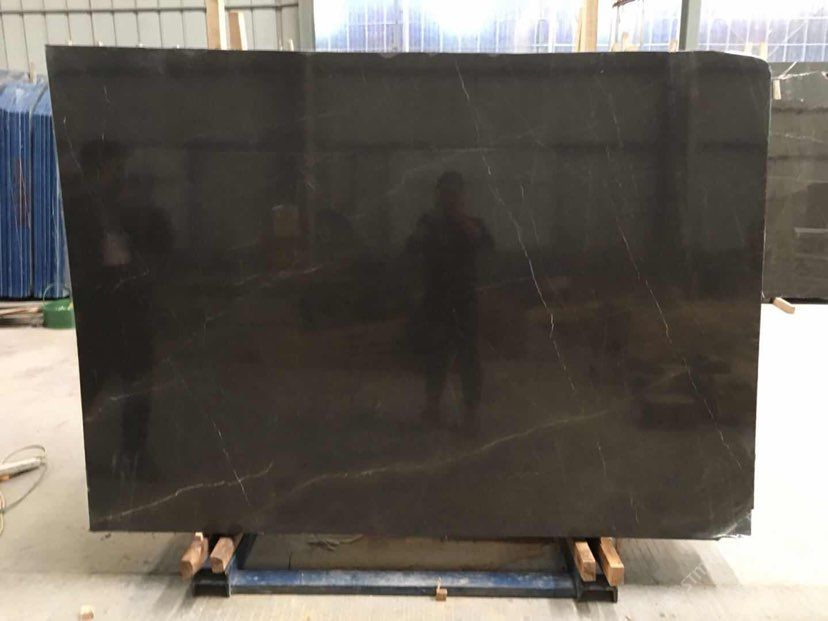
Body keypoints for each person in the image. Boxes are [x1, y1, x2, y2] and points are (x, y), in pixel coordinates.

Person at [407, 171, 493, 433]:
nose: (450, 198)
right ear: (438, 194)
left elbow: (485, 245)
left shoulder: (472, 223)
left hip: (464, 299)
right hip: (436, 298)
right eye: (445, 192)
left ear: (462, 195)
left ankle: (471, 414)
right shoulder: (429, 222)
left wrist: (460, 219)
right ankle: (432, 407)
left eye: (454, 193)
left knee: (468, 356)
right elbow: (412, 249)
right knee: (437, 354)